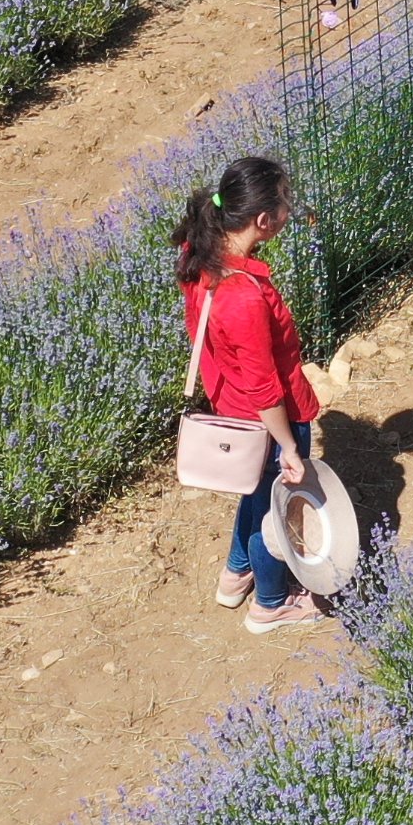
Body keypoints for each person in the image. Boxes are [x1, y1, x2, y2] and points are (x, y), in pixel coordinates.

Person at [177, 155, 324, 633]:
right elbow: (266, 390)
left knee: (255, 493)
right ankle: (271, 602)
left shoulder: (198, 251)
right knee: (275, 511)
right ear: (263, 221)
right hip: (263, 422)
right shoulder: (243, 297)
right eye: (285, 204)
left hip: (228, 406)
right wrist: (288, 447)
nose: (289, 212)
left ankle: (234, 574)